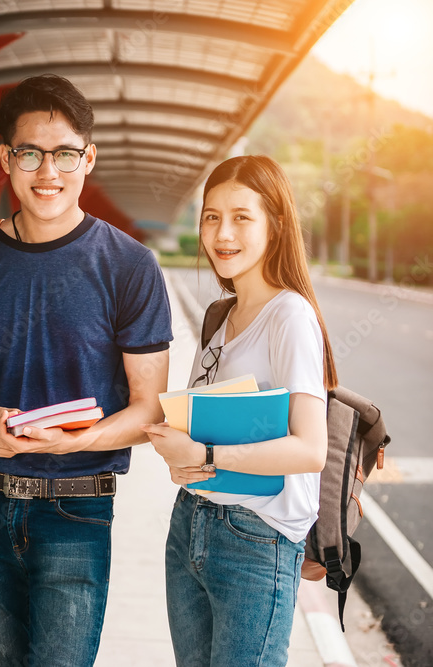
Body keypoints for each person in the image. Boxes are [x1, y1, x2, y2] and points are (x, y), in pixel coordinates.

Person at [0, 74, 173, 666]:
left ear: (88, 158)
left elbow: (149, 408)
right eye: (30, 153)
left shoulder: (129, 267)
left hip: (76, 507)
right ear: (5, 159)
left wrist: (75, 444)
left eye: (64, 153)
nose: (48, 172)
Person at [143, 155, 337, 667]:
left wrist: (204, 454)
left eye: (241, 217)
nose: (222, 233)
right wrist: (177, 450)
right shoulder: (220, 317)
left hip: (256, 541)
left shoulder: (289, 316)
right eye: (211, 216)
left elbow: (310, 449)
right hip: (191, 524)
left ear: (276, 223)